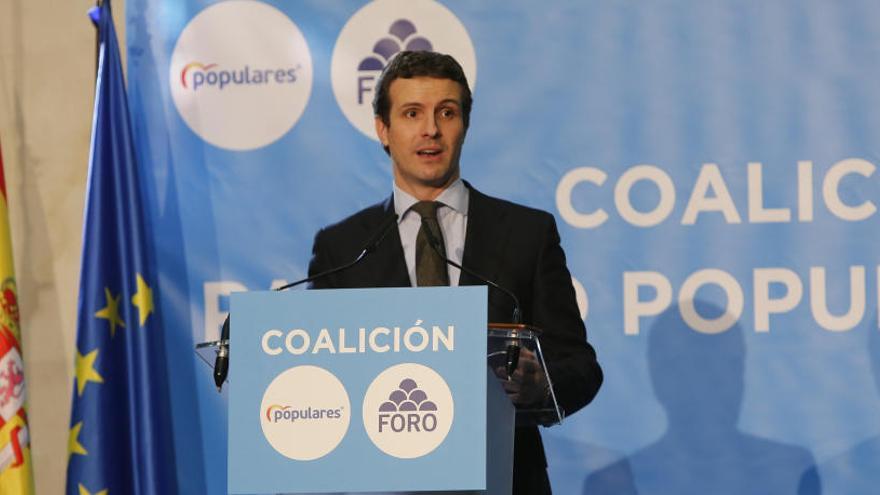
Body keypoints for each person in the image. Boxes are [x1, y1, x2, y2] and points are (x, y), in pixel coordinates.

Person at [308, 50, 602, 494]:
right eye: (412, 113)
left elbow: (579, 365)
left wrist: (540, 384)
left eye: (447, 112)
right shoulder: (342, 249)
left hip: (505, 478)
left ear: (464, 125)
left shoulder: (527, 233)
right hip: (383, 481)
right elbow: (318, 380)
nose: (431, 129)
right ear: (383, 130)